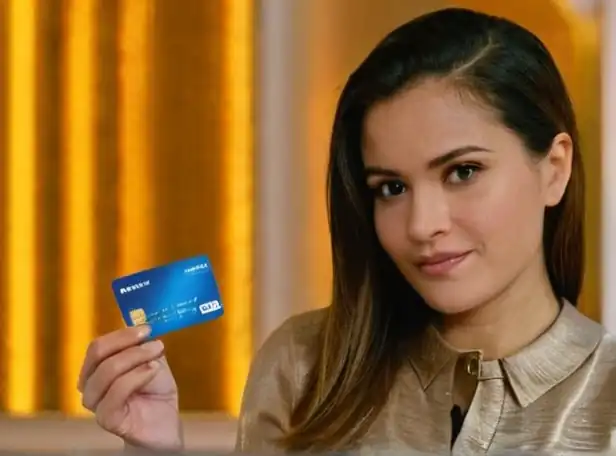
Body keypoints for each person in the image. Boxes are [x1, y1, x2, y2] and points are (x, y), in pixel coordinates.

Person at [77, 7, 616, 454]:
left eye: (463, 172)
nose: (423, 226)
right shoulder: (305, 365)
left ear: (555, 169)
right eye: (391, 188)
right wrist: (153, 447)